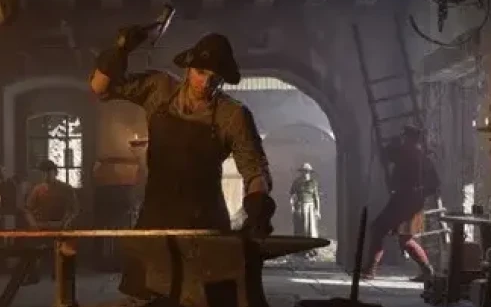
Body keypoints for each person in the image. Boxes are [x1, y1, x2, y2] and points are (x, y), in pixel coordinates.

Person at [89, 30, 275, 240]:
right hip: (155, 219)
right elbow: (100, 88)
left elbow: (255, 171)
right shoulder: (160, 89)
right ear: (188, 67)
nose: (205, 84)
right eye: (200, 72)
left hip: (207, 225)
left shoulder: (232, 115)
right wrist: (120, 51)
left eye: (215, 78)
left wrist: (258, 207)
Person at [363, 124, 439, 282]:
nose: (404, 141)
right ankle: (427, 271)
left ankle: (370, 269)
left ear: (410, 139)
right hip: (409, 201)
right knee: (404, 238)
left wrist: (393, 143)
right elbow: (434, 184)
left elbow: (387, 154)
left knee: (379, 229)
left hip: (405, 202)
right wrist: (420, 193)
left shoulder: (410, 154)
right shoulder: (420, 157)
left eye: (405, 138)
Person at [24, 160, 78, 230]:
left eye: (48, 172)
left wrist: (66, 222)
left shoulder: (66, 189)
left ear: (55, 173)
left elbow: (74, 210)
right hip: (41, 227)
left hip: (60, 226)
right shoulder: (37, 190)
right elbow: (28, 209)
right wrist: (33, 224)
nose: (46, 175)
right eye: (43, 173)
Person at [290, 163, 321, 239]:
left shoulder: (313, 182)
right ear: (301, 172)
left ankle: (311, 241)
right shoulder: (297, 182)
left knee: (311, 227)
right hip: (300, 206)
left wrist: (318, 210)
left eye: (307, 171)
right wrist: (292, 207)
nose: (305, 173)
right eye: (304, 171)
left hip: (311, 207)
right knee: (301, 226)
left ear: (310, 172)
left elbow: (316, 197)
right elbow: (292, 195)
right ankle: (300, 242)